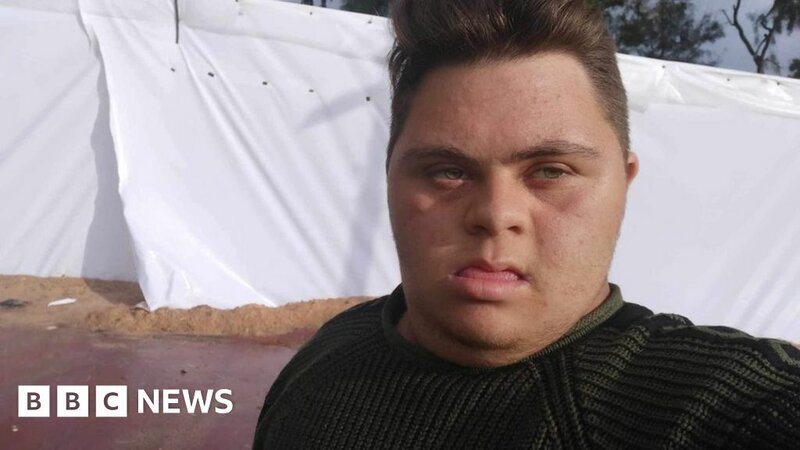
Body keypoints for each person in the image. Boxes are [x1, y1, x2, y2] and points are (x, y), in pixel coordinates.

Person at [253, 0, 800, 448]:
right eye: (447, 171)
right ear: (390, 178)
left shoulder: (713, 404)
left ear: (624, 184)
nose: (496, 215)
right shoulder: (330, 353)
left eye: (551, 171)